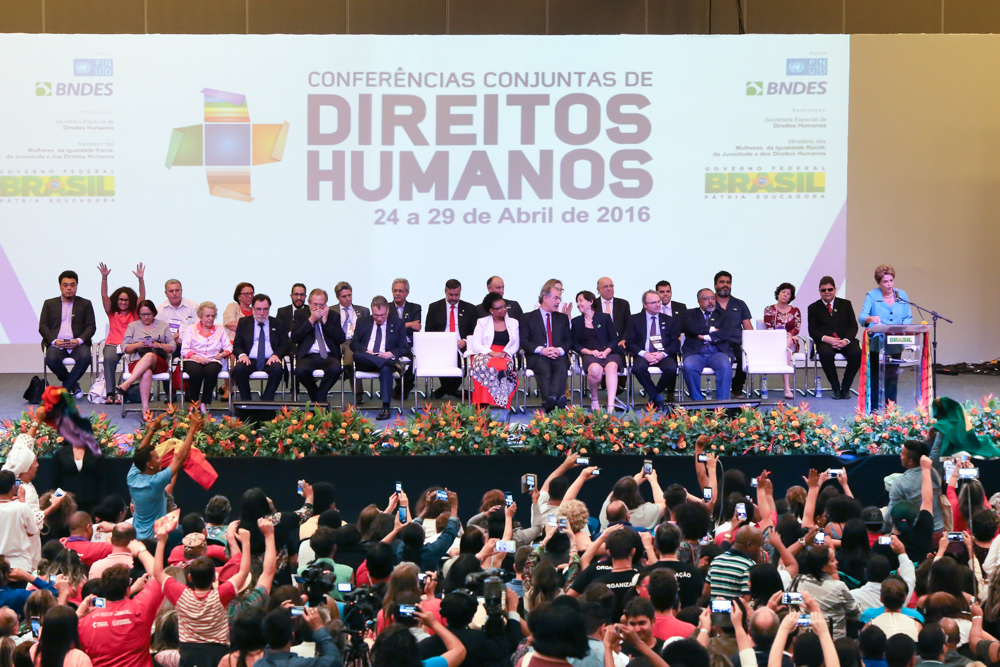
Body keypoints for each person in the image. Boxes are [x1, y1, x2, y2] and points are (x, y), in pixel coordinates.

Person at [153, 519, 251, 667]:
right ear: (214, 578)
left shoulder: (181, 595)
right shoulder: (220, 595)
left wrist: (161, 541)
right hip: (218, 655)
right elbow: (243, 571)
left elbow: (158, 573)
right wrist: (245, 542)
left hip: (188, 655)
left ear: (190, 578)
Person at [78, 543, 163, 667]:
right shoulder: (140, 608)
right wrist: (141, 551)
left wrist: (77, 615)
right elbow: (158, 576)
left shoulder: (83, 622)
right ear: (128, 589)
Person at [127, 413, 201, 540]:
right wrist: (192, 429)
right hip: (154, 540)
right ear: (149, 465)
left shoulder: (132, 477)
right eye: (157, 458)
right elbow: (180, 458)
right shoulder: (156, 482)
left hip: (137, 538)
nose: (160, 459)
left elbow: (139, 454)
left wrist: (153, 429)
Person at [859, 264, 913, 410]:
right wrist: (871, 318)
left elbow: (908, 317)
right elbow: (862, 317)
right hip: (877, 342)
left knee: (892, 378)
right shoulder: (872, 295)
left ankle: (891, 410)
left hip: (895, 341)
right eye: (885, 282)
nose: (889, 284)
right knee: (875, 377)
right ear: (879, 283)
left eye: (891, 280)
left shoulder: (901, 295)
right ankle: (874, 410)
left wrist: (904, 327)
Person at [38, 270, 97, 398]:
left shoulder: (85, 304)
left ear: (76, 286)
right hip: (57, 344)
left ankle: (65, 389)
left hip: (78, 344)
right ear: (60, 286)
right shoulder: (49, 304)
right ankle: (73, 385)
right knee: (51, 358)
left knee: (86, 357)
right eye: (65, 285)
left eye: (72, 285)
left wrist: (79, 340)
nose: (69, 288)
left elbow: (91, 326)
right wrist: (54, 341)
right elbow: (43, 326)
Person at [351, 296, 409, 420]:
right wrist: (365, 351)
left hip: (386, 357)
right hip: (367, 359)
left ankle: (386, 408)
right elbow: (354, 344)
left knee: (385, 369)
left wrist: (391, 353)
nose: (379, 318)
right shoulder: (362, 322)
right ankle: (393, 365)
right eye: (376, 315)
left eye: (382, 315)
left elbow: (404, 347)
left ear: (387, 311)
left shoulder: (398, 323)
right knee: (356, 355)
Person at [807, 276, 862, 400]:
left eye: (830, 289)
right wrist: (827, 339)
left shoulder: (846, 304)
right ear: (819, 291)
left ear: (835, 289)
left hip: (845, 341)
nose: (827, 292)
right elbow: (812, 330)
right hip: (825, 342)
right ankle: (836, 388)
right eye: (823, 290)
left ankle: (846, 388)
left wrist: (845, 340)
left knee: (857, 353)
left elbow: (853, 326)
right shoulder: (813, 308)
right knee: (825, 354)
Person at [115, 300, 175, 412]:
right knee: (146, 372)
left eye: (148, 314)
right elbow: (125, 348)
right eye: (143, 315)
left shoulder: (163, 326)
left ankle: (127, 383)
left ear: (154, 313)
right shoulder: (133, 326)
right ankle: (145, 409)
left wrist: (158, 345)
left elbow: (172, 347)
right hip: (137, 362)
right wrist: (138, 344)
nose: (146, 317)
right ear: (139, 314)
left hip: (159, 362)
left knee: (149, 355)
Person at [624, 290, 681, 409]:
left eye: (659, 302)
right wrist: (644, 354)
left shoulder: (669, 320)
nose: (658, 305)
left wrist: (662, 354)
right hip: (643, 353)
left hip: (662, 353)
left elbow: (675, 343)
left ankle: (654, 394)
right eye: (653, 302)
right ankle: (656, 396)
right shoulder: (634, 319)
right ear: (645, 305)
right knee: (638, 368)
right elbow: (629, 342)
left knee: (671, 369)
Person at [521, 284, 572, 413]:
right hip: (537, 356)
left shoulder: (562, 318)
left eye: (559, 299)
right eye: (555, 298)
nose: (558, 302)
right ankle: (557, 399)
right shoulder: (527, 318)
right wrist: (542, 350)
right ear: (545, 298)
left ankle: (550, 400)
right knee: (543, 366)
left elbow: (569, 340)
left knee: (562, 366)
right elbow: (524, 342)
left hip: (558, 355)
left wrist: (559, 350)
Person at [97, 262, 145, 397]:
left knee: (128, 362)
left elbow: (142, 296)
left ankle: (120, 392)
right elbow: (104, 295)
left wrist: (141, 280)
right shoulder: (111, 312)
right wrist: (104, 278)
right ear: (116, 300)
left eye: (126, 300)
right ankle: (110, 393)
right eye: (120, 299)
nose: (123, 302)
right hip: (113, 344)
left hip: (130, 345)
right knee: (108, 359)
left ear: (131, 301)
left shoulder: (135, 313)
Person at [793, 545, 861, 639]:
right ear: (823, 567)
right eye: (832, 560)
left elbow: (789, 603)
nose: (837, 562)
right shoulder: (839, 587)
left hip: (805, 638)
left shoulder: (799, 581)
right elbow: (856, 614)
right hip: (833, 640)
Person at [232, 294, 290, 403]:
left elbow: (285, 345)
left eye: (265, 309)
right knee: (239, 369)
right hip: (249, 359)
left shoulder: (278, 323)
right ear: (253, 309)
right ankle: (246, 402)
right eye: (258, 309)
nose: (262, 313)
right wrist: (242, 355)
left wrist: (276, 355)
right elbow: (237, 345)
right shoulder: (244, 322)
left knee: (278, 369)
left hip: (270, 359)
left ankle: (266, 402)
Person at [292, 288, 347, 404]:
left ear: (326, 305)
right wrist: (311, 320)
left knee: (336, 369)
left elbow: (341, 338)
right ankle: (319, 397)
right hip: (308, 355)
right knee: (300, 371)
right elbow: (295, 337)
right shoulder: (300, 314)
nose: (318, 308)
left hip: (329, 355)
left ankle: (318, 398)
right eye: (315, 304)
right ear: (309, 303)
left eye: (321, 305)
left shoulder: (333, 315)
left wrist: (325, 322)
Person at [571, 290, 622, 413]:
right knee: (595, 369)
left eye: (581, 301)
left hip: (608, 353)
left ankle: (610, 405)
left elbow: (614, 339)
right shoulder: (576, 321)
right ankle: (594, 399)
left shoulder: (604, 318)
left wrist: (606, 352)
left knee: (612, 366)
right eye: (577, 301)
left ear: (590, 302)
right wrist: (589, 351)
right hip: (589, 354)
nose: (578, 304)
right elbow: (574, 344)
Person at [468, 292, 520, 410]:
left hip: (504, 354)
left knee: (503, 368)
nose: (503, 310)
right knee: (484, 366)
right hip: (484, 353)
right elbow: (476, 345)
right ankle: (482, 403)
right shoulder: (482, 322)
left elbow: (515, 345)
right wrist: (492, 353)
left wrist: (505, 353)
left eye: (504, 306)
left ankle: (500, 403)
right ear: (491, 310)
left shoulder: (513, 323)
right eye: (499, 308)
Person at [425, 279, 476, 399]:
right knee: (442, 363)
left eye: (456, 295)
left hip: (461, 347)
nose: (453, 298)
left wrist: (465, 340)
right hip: (440, 347)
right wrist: (441, 341)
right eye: (451, 295)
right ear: (445, 292)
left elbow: (474, 330)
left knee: (464, 363)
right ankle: (452, 391)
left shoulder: (470, 308)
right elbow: (429, 330)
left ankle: (445, 390)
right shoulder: (434, 307)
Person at [681, 289, 734, 401]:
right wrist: (712, 329)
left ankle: (722, 404)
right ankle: (698, 403)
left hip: (717, 352)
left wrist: (705, 337)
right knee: (689, 366)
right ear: (699, 301)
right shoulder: (690, 314)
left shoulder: (723, 314)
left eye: (712, 298)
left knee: (725, 365)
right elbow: (692, 329)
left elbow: (726, 333)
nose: (710, 301)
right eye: (706, 299)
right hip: (695, 353)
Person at [180, 301, 232, 410]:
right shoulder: (191, 328)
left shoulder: (220, 329)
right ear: (200, 316)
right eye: (207, 316)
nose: (210, 318)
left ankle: (204, 403)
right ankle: (194, 403)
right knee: (196, 373)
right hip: (193, 359)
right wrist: (198, 358)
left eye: (213, 316)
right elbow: (184, 349)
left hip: (213, 359)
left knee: (211, 372)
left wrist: (223, 354)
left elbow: (229, 347)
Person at [256, 606, 344, 667]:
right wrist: (319, 628)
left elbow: (271, 632)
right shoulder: (300, 664)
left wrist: (279, 615)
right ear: (292, 635)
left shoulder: (258, 664)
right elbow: (334, 661)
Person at [713, 271, 752, 395]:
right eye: (722, 282)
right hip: (716, 343)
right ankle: (722, 388)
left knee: (745, 358)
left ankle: (737, 387)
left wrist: (751, 345)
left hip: (736, 343)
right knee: (723, 361)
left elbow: (748, 327)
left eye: (728, 282)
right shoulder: (709, 303)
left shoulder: (739, 304)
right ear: (715, 285)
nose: (725, 285)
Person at [763, 282, 802, 400]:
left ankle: (787, 387)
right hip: (773, 340)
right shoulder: (769, 309)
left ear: (791, 297)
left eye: (788, 294)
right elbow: (769, 327)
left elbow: (797, 327)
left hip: (790, 341)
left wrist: (788, 336)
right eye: (783, 292)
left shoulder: (795, 311)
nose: (785, 295)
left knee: (787, 348)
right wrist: (782, 337)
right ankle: (787, 387)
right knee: (786, 347)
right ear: (778, 294)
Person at [389, 278, 421, 398]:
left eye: (400, 291)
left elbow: (417, 327)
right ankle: (403, 387)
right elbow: (387, 327)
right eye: (395, 290)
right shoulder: (386, 307)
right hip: (391, 344)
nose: (397, 293)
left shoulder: (415, 308)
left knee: (416, 360)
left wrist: (397, 326)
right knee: (392, 360)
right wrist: (409, 324)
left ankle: (402, 387)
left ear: (407, 292)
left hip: (409, 343)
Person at [157, 279, 199, 353]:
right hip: (169, 346)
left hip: (191, 345)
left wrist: (186, 340)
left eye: (177, 290)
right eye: (171, 291)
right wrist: (171, 340)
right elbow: (158, 333)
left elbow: (199, 328)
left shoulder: (193, 306)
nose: (174, 293)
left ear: (181, 291)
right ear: (166, 293)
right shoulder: (160, 309)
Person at [595, 277, 630, 347]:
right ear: (598, 290)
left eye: (611, 286)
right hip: (598, 343)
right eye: (605, 287)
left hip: (619, 343)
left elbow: (629, 325)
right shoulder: (593, 305)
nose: (609, 289)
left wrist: (624, 339)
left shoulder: (623, 304)